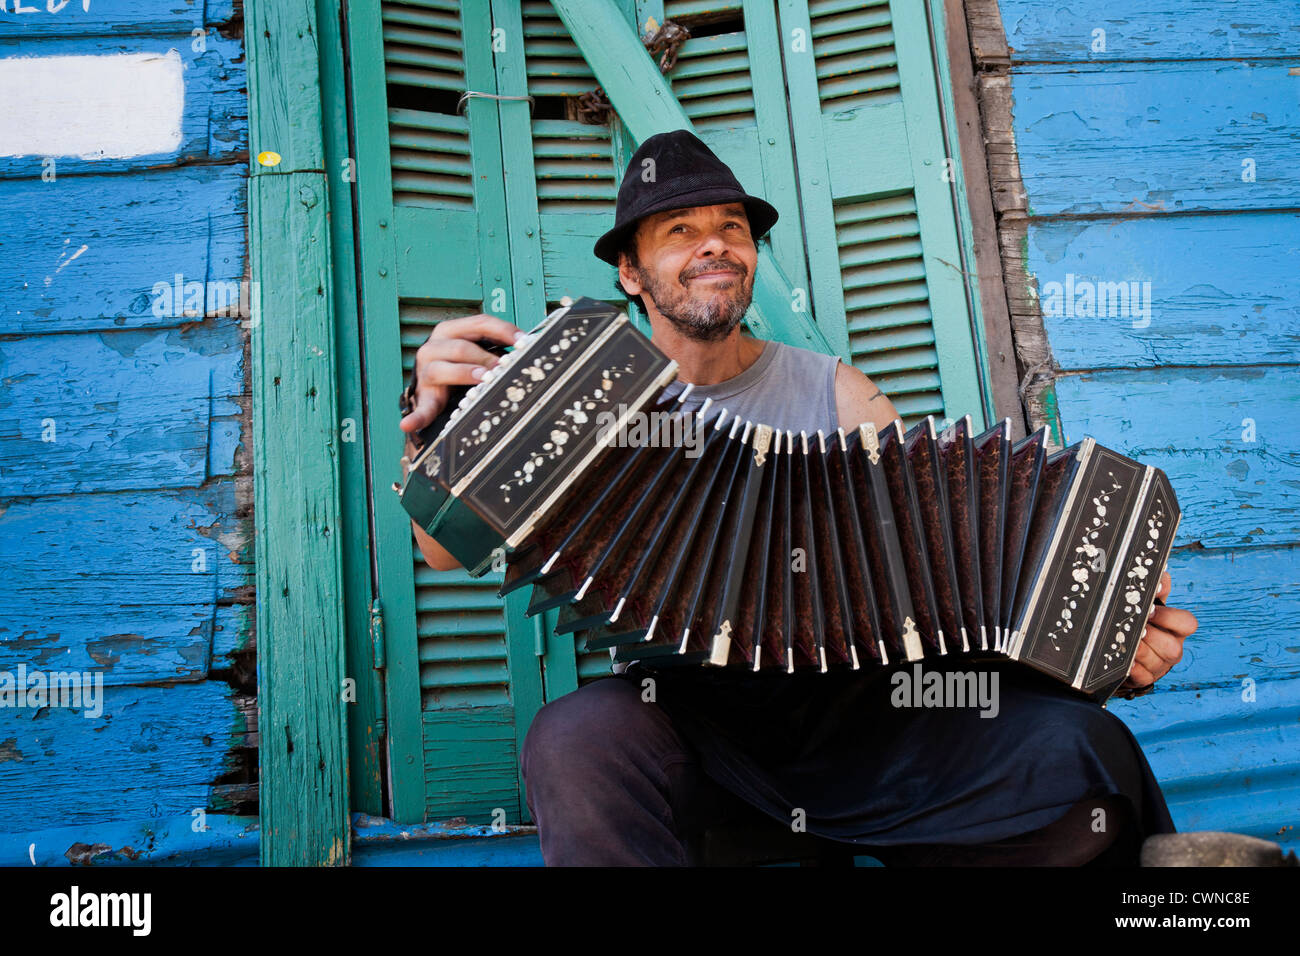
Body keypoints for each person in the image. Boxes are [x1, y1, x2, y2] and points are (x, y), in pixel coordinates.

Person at [398, 130, 1200, 866]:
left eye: (733, 227)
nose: (715, 241)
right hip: (691, 716)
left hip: (860, 714)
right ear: (630, 272)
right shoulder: (581, 401)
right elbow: (441, 544)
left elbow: (951, 581)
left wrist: (1101, 638)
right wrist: (435, 425)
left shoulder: (842, 397)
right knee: (574, 738)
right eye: (680, 229)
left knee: (1084, 749)